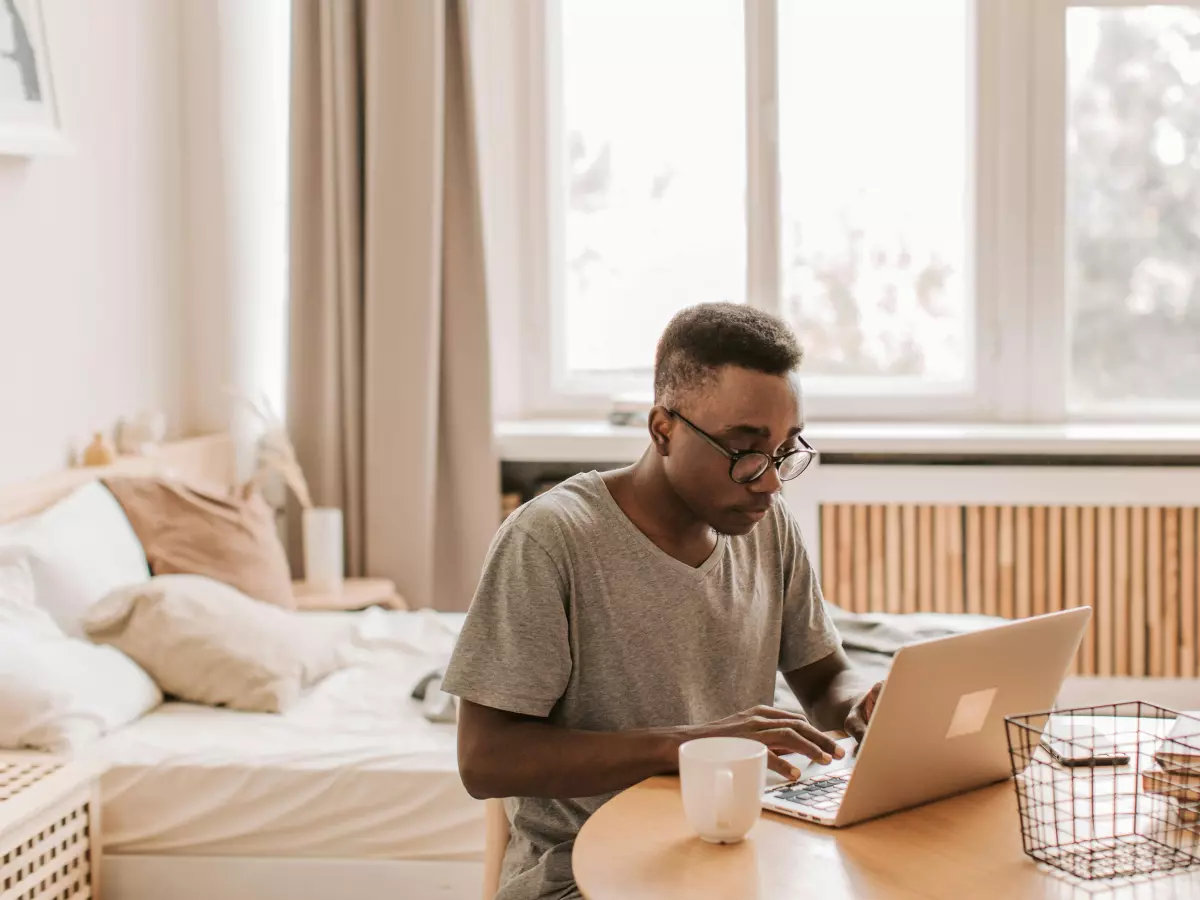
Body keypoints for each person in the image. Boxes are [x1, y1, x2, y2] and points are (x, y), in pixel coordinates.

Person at [441, 302, 881, 900]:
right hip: (582, 876)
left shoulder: (768, 526)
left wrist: (860, 704)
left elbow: (824, 677)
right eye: (745, 449)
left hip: (731, 852)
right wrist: (688, 745)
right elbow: (485, 759)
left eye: (784, 450)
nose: (771, 480)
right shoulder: (551, 539)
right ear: (662, 429)